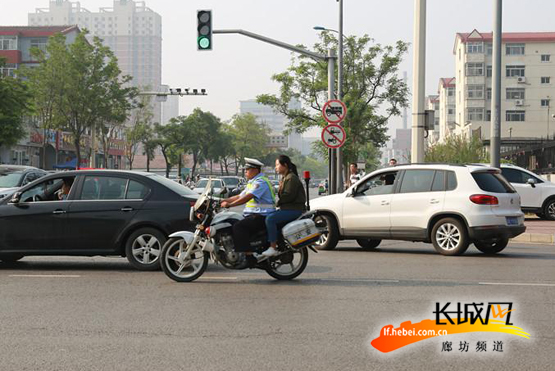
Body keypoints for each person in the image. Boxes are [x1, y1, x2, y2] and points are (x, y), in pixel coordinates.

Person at [220, 158, 276, 253]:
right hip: (254, 214)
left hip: (262, 215)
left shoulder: (260, 182)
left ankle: (247, 255)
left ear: (255, 170)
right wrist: (221, 200)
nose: (245, 172)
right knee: (231, 222)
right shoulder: (253, 182)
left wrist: (230, 204)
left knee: (239, 227)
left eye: (247, 169)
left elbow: (248, 197)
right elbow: (239, 196)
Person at [257, 155, 306, 260]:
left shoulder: (291, 178)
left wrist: (276, 203)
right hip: (288, 209)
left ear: (285, 165)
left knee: (270, 219)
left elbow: (288, 196)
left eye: (277, 165)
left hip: (294, 210)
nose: (276, 167)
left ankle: (273, 247)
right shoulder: (285, 178)